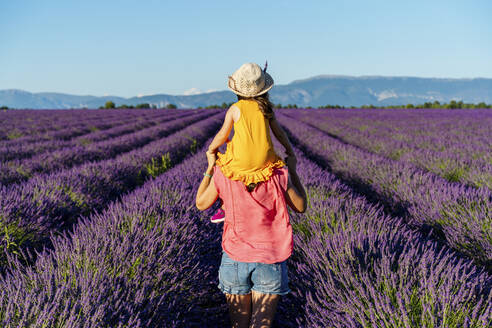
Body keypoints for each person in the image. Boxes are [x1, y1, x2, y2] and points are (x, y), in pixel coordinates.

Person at [195, 149, 307, 327]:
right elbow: (301, 206)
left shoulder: (224, 173)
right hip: (270, 258)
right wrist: (292, 170)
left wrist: (210, 167)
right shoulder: (278, 173)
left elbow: (201, 203)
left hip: (235, 257)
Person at [207, 62, 295, 223]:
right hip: (265, 159)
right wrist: (290, 150)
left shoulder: (235, 108)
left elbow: (222, 134)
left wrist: (211, 149)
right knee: (266, 174)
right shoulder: (266, 109)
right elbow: (280, 134)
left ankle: (226, 207)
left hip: (241, 161)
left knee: (225, 165)